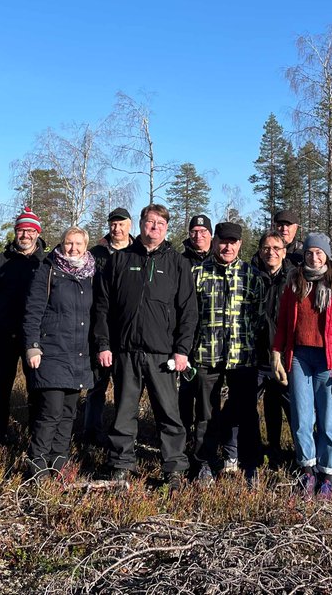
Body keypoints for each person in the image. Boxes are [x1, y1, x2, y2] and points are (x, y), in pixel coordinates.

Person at [93, 204, 198, 483]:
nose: (155, 227)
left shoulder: (177, 263)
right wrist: (104, 344)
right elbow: (102, 306)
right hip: (125, 350)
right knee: (124, 413)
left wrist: (182, 349)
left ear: (166, 228)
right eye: (150, 222)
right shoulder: (120, 260)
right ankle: (121, 464)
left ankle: (173, 467)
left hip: (162, 354)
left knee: (168, 413)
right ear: (140, 224)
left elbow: (189, 311)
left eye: (161, 224)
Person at [270, 233, 332, 498]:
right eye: (310, 253)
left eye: (319, 253)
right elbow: (284, 321)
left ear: (327, 255)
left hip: (329, 361)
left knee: (328, 421)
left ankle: (327, 474)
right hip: (299, 358)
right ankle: (307, 471)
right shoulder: (294, 284)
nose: (314, 257)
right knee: (301, 417)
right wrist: (277, 351)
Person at [190, 221, 263, 482]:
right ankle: (205, 463)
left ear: (240, 244)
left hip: (242, 356)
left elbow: (259, 316)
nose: (227, 246)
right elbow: (189, 316)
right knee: (206, 414)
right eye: (223, 241)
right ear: (215, 242)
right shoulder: (198, 273)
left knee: (246, 412)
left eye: (233, 242)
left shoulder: (251, 275)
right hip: (206, 355)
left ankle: (250, 463)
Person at [23, 226, 95, 477]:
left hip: (78, 354)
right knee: (50, 413)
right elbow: (32, 311)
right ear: (61, 244)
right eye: (68, 243)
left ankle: (58, 467)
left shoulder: (91, 274)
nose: (73, 248)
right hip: (51, 351)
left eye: (78, 244)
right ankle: (37, 469)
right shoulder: (48, 269)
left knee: (68, 414)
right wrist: (32, 347)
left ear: (86, 246)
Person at [0, 208, 46, 444]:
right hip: (4, 335)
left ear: (37, 233)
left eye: (29, 230)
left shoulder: (46, 262)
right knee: (1, 389)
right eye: (20, 230)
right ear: (15, 233)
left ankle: (36, 438)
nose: (24, 235)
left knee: (37, 390)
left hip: (35, 339)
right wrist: (1, 314)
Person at [80, 207, 134, 447]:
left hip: (127, 332)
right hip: (98, 329)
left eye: (121, 224)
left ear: (130, 226)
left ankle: (121, 439)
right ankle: (90, 436)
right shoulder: (96, 254)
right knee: (96, 386)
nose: (117, 228)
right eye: (113, 224)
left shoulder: (138, 253)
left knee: (126, 391)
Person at [251, 229, 291, 467]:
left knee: (289, 408)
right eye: (267, 248)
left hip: (285, 357)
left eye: (276, 248)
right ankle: (251, 450)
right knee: (246, 408)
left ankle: (286, 453)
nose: (271, 253)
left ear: (284, 252)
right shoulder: (251, 276)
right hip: (256, 355)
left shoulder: (295, 279)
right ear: (260, 251)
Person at [177, 213, 213, 453]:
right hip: (181, 340)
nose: (198, 236)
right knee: (183, 395)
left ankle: (202, 448)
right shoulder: (179, 262)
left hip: (209, 341)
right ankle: (180, 444)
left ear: (210, 235)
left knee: (205, 399)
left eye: (203, 232)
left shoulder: (219, 261)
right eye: (194, 232)